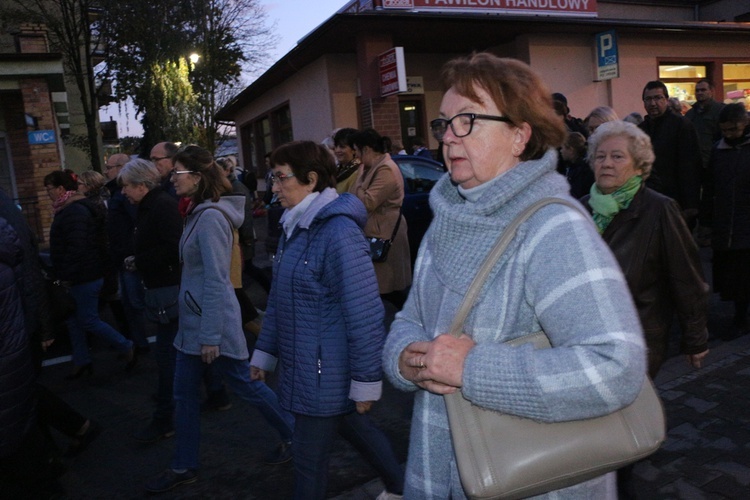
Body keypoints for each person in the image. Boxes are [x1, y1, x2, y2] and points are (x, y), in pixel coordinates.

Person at [382, 53, 646, 499]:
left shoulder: (552, 228)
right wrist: (405, 358)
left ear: (520, 136)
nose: (449, 137)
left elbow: (616, 368)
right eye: (444, 123)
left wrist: (474, 368)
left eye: (467, 120)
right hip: (440, 468)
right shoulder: (446, 219)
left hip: (534, 480)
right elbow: (409, 319)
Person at [250, 140, 404, 500]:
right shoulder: (296, 226)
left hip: (323, 372)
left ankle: (401, 487)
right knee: (356, 428)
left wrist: (366, 381)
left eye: (279, 177)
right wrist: (263, 354)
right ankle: (402, 487)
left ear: (311, 179)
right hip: (311, 368)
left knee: (307, 460)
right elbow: (279, 301)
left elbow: (364, 312)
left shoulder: (338, 232)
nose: (273, 187)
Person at [146, 145, 294, 494]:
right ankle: (184, 465)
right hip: (194, 323)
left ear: (197, 178)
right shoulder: (198, 211)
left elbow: (215, 278)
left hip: (210, 324)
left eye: (177, 172)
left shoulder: (211, 217)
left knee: (247, 385)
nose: (172, 178)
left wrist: (210, 336)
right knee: (186, 396)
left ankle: (295, 434)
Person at [581, 120, 709, 378]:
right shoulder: (581, 207)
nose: (606, 163)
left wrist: (695, 339)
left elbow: (686, 278)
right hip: (584, 336)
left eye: (617, 156)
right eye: (600, 156)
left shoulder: (659, 210)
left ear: (639, 166)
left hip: (637, 339)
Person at [44, 170, 135, 378]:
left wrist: (65, 272)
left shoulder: (73, 211)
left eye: (49, 188)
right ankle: (82, 359)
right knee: (75, 320)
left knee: (87, 319)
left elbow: (78, 246)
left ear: (60, 189)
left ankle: (126, 346)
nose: (47, 193)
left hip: (84, 275)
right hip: (83, 273)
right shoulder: (72, 208)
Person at [118, 159, 183, 443]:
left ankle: (164, 418)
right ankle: (215, 392)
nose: (123, 192)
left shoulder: (161, 206)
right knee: (179, 353)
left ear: (142, 186)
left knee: (167, 355)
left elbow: (172, 249)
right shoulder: (152, 205)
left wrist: (139, 261)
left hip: (168, 290)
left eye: (127, 187)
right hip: (163, 288)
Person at [348, 128, 412, 308]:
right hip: (377, 229)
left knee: (388, 285)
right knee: (381, 286)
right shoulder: (373, 168)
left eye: (357, 151)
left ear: (366, 149)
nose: (357, 157)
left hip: (385, 231)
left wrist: (359, 179)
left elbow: (367, 202)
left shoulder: (385, 169)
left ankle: (406, 319)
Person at [704, 103, 750, 339]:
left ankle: (741, 318)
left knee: (744, 273)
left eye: (734, 130)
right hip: (726, 222)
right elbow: (710, 184)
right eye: (725, 130)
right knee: (733, 276)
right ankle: (738, 315)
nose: (729, 135)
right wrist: (707, 220)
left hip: (745, 221)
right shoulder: (718, 150)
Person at [105, 153, 150, 352]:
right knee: (129, 303)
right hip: (122, 255)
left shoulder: (124, 194)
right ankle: (138, 341)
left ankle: (141, 342)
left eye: (109, 167)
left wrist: (131, 252)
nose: (106, 171)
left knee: (135, 302)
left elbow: (135, 222)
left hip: (128, 256)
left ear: (121, 167)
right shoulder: (117, 192)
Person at [638, 81, 702, 219]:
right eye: (648, 99)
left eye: (658, 98)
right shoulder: (640, 130)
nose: (653, 103)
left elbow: (691, 166)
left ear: (666, 100)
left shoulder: (681, 125)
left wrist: (690, 204)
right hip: (649, 200)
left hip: (677, 201)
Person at [560, 131, 594, 198]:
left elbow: (576, 194)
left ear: (571, 150)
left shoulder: (582, 171)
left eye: (562, 148)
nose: (561, 151)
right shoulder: (571, 166)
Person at [332, 127, 361, 194]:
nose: (337, 150)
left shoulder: (357, 172)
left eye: (342, 147)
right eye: (336, 146)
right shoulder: (337, 170)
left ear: (354, 149)